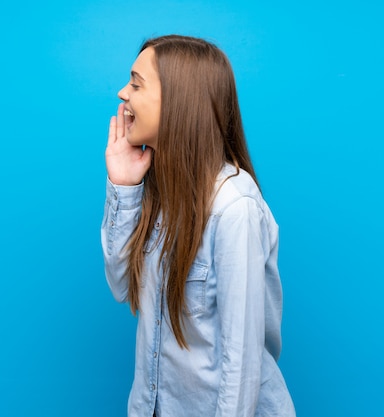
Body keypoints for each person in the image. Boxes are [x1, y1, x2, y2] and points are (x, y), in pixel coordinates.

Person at [101, 34, 295, 417]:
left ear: (178, 100)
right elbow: (121, 286)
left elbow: (241, 366)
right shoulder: (162, 190)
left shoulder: (234, 208)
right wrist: (124, 186)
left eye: (137, 83)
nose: (122, 93)